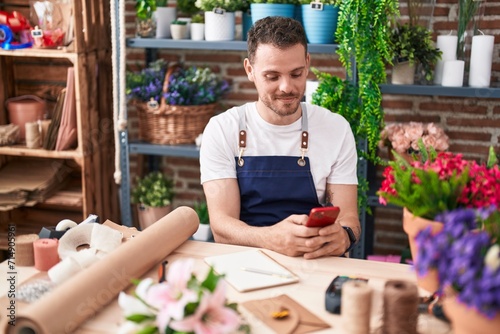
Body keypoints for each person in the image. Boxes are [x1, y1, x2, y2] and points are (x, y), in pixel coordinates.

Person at [199, 16, 360, 259]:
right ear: (250, 70)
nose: (286, 87)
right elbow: (222, 228)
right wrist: (273, 239)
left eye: (296, 74)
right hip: (244, 260)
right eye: (272, 77)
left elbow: (350, 219)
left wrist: (344, 236)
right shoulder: (223, 129)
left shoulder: (336, 128)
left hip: (313, 261)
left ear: (307, 63)